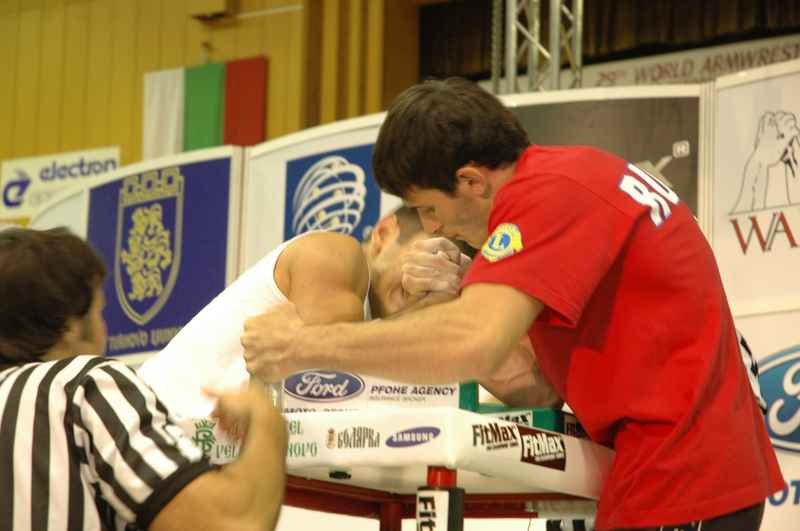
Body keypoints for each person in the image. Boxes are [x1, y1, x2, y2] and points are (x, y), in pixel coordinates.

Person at [239, 78, 784, 531]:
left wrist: (305, 345)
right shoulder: (567, 180)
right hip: (677, 467)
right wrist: (456, 299)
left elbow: (473, 343)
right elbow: (535, 385)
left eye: (428, 209)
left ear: (471, 180)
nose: (432, 227)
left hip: (683, 473)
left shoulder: (546, 195)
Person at [139, 206, 557, 422]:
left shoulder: (412, 326)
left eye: (445, 275)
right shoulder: (333, 254)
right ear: (384, 233)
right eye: (426, 260)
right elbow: (326, 388)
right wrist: (432, 314)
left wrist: (465, 303)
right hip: (144, 429)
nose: (427, 285)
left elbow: (540, 394)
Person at [0, 227, 287, 531]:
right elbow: (230, 523)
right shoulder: (82, 384)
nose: (105, 331)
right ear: (70, 326)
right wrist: (267, 423)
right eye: (99, 313)